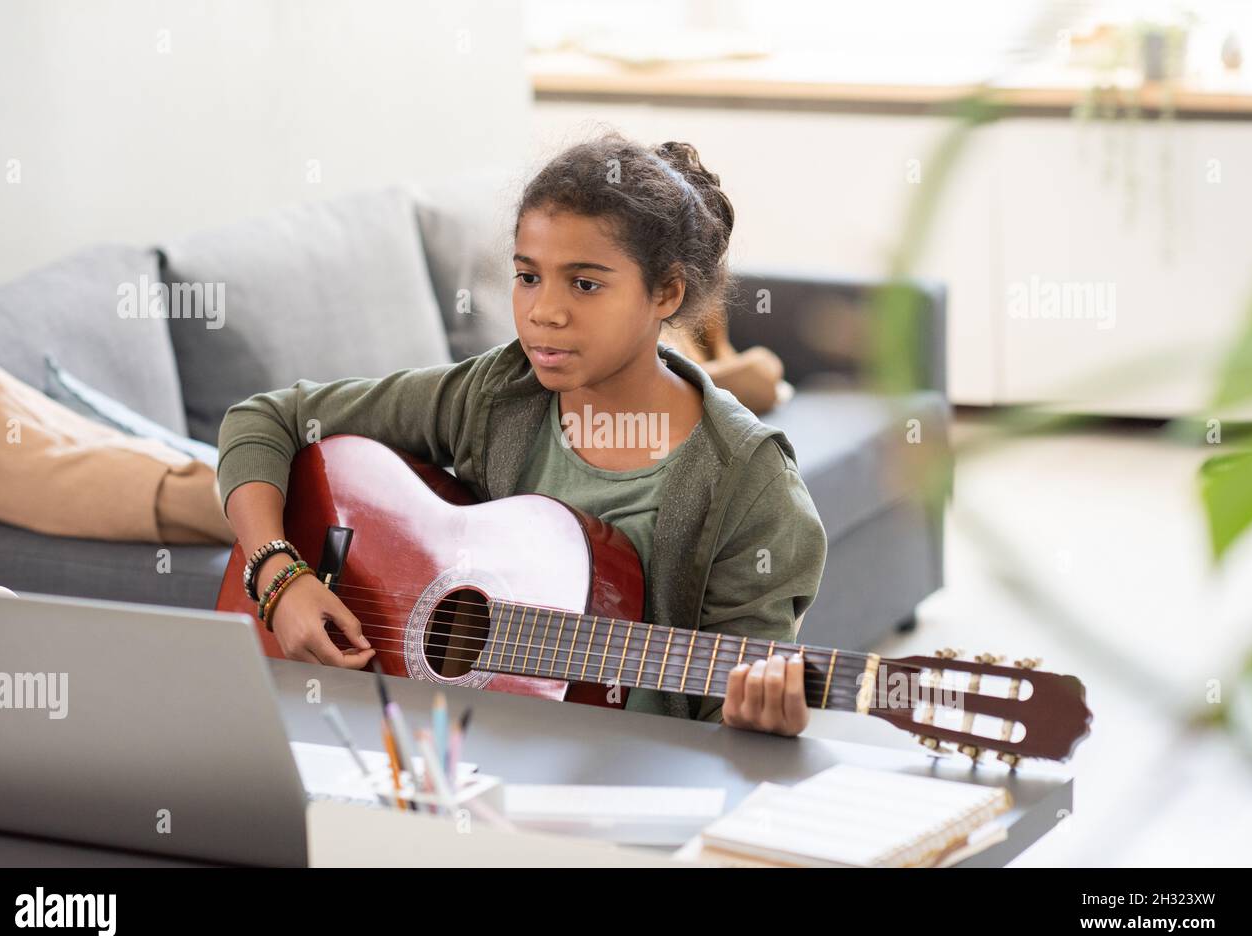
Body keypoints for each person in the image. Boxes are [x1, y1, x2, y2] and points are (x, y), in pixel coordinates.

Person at [218, 133, 828, 735]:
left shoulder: (749, 482)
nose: (543, 312)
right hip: (443, 754)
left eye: (585, 284)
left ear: (666, 292)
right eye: (528, 276)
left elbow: (732, 722)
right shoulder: (498, 394)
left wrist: (752, 719)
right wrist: (280, 577)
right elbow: (267, 418)